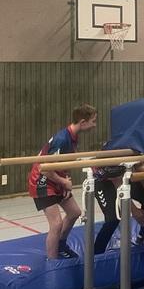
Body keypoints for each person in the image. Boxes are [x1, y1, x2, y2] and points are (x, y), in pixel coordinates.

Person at [28, 104, 97, 260]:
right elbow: (45, 169)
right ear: (83, 122)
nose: (95, 125)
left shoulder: (72, 136)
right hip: (41, 181)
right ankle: (52, 261)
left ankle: (60, 245)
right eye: (93, 121)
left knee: (74, 213)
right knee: (56, 224)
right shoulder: (62, 139)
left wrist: (66, 179)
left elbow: (64, 163)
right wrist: (63, 182)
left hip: (55, 178)